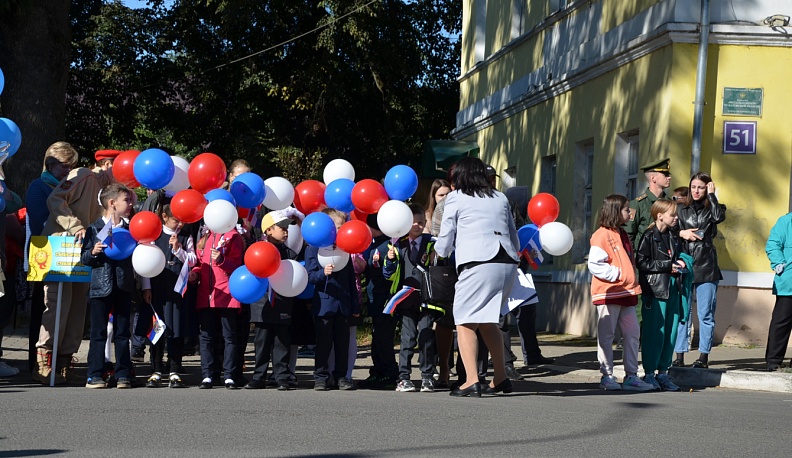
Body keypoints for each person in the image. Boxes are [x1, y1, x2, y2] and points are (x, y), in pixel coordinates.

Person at [435, 157, 520, 397]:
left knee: (464, 321)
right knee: (487, 320)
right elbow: (514, 236)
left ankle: (471, 380)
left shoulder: (456, 197)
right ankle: (501, 377)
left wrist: (439, 253)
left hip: (478, 262)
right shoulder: (500, 197)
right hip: (507, 262)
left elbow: (446, 234)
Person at [33, 149, 118, 384]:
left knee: (78, 305)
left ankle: (65, 360)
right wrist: (74, 225)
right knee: (57, 302)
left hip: (83, 249)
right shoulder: (83, 175)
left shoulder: (111, 186)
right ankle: (44, 361)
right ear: (107, 163)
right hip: (61, 243)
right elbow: (55, 198)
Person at [588, 194, 654, 391]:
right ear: (616, 211)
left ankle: (631, 376)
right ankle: (607, 375)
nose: (630, 212)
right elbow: (595, 264)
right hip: (610, 292)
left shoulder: (622, 233)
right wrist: (617, 274)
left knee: (633, 333)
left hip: (626, 292)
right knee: (607, 335)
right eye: (626, 209)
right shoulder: (602, 235)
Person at [81, 183, 137, 388]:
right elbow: (85, 258)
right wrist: (93, 251)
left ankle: (123, 373)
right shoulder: (95, 228)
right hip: (100, 287)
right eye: (127, 200)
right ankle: (95, 374)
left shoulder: (131, 228)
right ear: (112, 203)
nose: (130, 203)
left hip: (123, 286)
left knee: (123, 332)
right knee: (98, 332)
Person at [636, 199, 692, 391]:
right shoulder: (649, 236)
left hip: (673, 289)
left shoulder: (674, 237)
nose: (676, 218)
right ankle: (649, 373)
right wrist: (668, 266)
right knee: (655, 334)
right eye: (672, 214)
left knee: (670, 333)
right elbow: (642, 263)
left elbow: (680, 256)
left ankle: (663, 373)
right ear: (660, 215)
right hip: (655, 291)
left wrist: (682, 262)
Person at [383, 203, 437, 393]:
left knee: (426, 337)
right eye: (413, 222)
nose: (417, 226)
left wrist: (436, 257)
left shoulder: (432, 243)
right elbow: (388, 274)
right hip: (405, 299)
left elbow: (441, 267)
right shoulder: (397, 245)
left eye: (421, 222)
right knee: (407, 338)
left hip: (427, 298)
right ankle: (404, 377)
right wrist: (389, 259)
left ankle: (427, 376)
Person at [304, 208, 359, 391]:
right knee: (323, 343)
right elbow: (310, 276)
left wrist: (354, 305)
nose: (340, 230)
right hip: (324, 303)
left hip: (342, 303)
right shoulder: (313, 248)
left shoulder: (345, 249)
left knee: (342, 343)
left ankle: (341, 376)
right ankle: (320, 376)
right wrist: (323, 273)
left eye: (342, 227)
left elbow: (351, 279)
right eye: (337, 226)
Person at [142, 203, 196, 388]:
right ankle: (156, 369)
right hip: (158, 288)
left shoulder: (185, 236)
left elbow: (192, 259)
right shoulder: (154, 235)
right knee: (158, 329)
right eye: (175, 220)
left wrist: (178, 250)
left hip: (177, 289)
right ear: (164, 217)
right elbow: (146, 263)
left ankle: (174, 369)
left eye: (181, 220)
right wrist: (146, 287)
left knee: (176, 329)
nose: (178, 223)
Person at [676, 171, 726, 368]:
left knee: (705, 314)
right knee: (683, 313)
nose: (696, 191)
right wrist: (682, 232)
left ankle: (703, 357)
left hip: (707, 267)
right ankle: (679, 357)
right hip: (685, 265)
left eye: (701, 187)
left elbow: (718, 217)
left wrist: (712, 196)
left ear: (708, 188)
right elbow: (670, 230)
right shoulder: (680, 209)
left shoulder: (714, 207)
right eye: (694, 187)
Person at [189, 221, 245, 389]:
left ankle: (229, 374)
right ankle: (208, 374)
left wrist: (221, 260)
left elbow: (237, 265)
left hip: (227, 293)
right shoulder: (206, 237)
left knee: (229, 336)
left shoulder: (233, 236)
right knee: (206, 336)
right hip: (207, 293)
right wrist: (195, 274)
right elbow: (200, 264)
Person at [245, 210, 297, 390]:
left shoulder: (289, 253)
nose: (285, 231)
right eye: (281, 227)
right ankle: (258, 376)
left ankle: (281, 376)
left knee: (282, 342)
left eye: (287, 228)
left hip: (283, 302)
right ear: (268, 230)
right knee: (262, 341)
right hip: (262, 303)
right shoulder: (256, 250)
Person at [359, 214, 399, 390]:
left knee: (383, 339)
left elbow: (387, 274)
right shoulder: (375, 244)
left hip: (385, 300)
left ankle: (388, 372)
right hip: (376, 299)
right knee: (378, 338)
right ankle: (378, 371)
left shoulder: (385, 246)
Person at [624, 158, 672, 249]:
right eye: (665, 174)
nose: (669, 177)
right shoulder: (637, 204)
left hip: (665, 258)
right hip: (643, 258)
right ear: (653, 178)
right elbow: (628, 235)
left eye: (669, 174)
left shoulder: (670, 204)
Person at [765, 211, 792, 371]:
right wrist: (778, 262)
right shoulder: (785, 222)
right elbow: (773, 244)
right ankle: (774, 361)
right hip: (788, 281)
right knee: (781, 323)